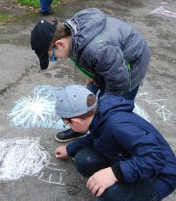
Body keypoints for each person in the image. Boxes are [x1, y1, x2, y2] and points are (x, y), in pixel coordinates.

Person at [31, 8, 151, 142]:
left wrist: (107, 104)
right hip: (112, 60)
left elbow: (119, 81)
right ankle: (80, 127)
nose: (56, 59)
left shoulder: (96, 50)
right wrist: (93, 73)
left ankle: (114, 137)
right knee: (89, 95)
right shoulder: (72, 35)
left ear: (60, 44)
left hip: (132, 63)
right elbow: (89, 57)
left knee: (117, 107)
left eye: (53, 57)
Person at [54, 85, 176, 201]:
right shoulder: (98, 114)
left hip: (160, 176)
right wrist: (70, 149)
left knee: (110, 193)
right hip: (130, 157)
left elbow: (156, 158)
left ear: (76, 122)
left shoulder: (116, 126)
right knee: (83, 160)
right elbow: (93, 137)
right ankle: (117, 179)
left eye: (66, 123)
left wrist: (114, 173)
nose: (67, 125)